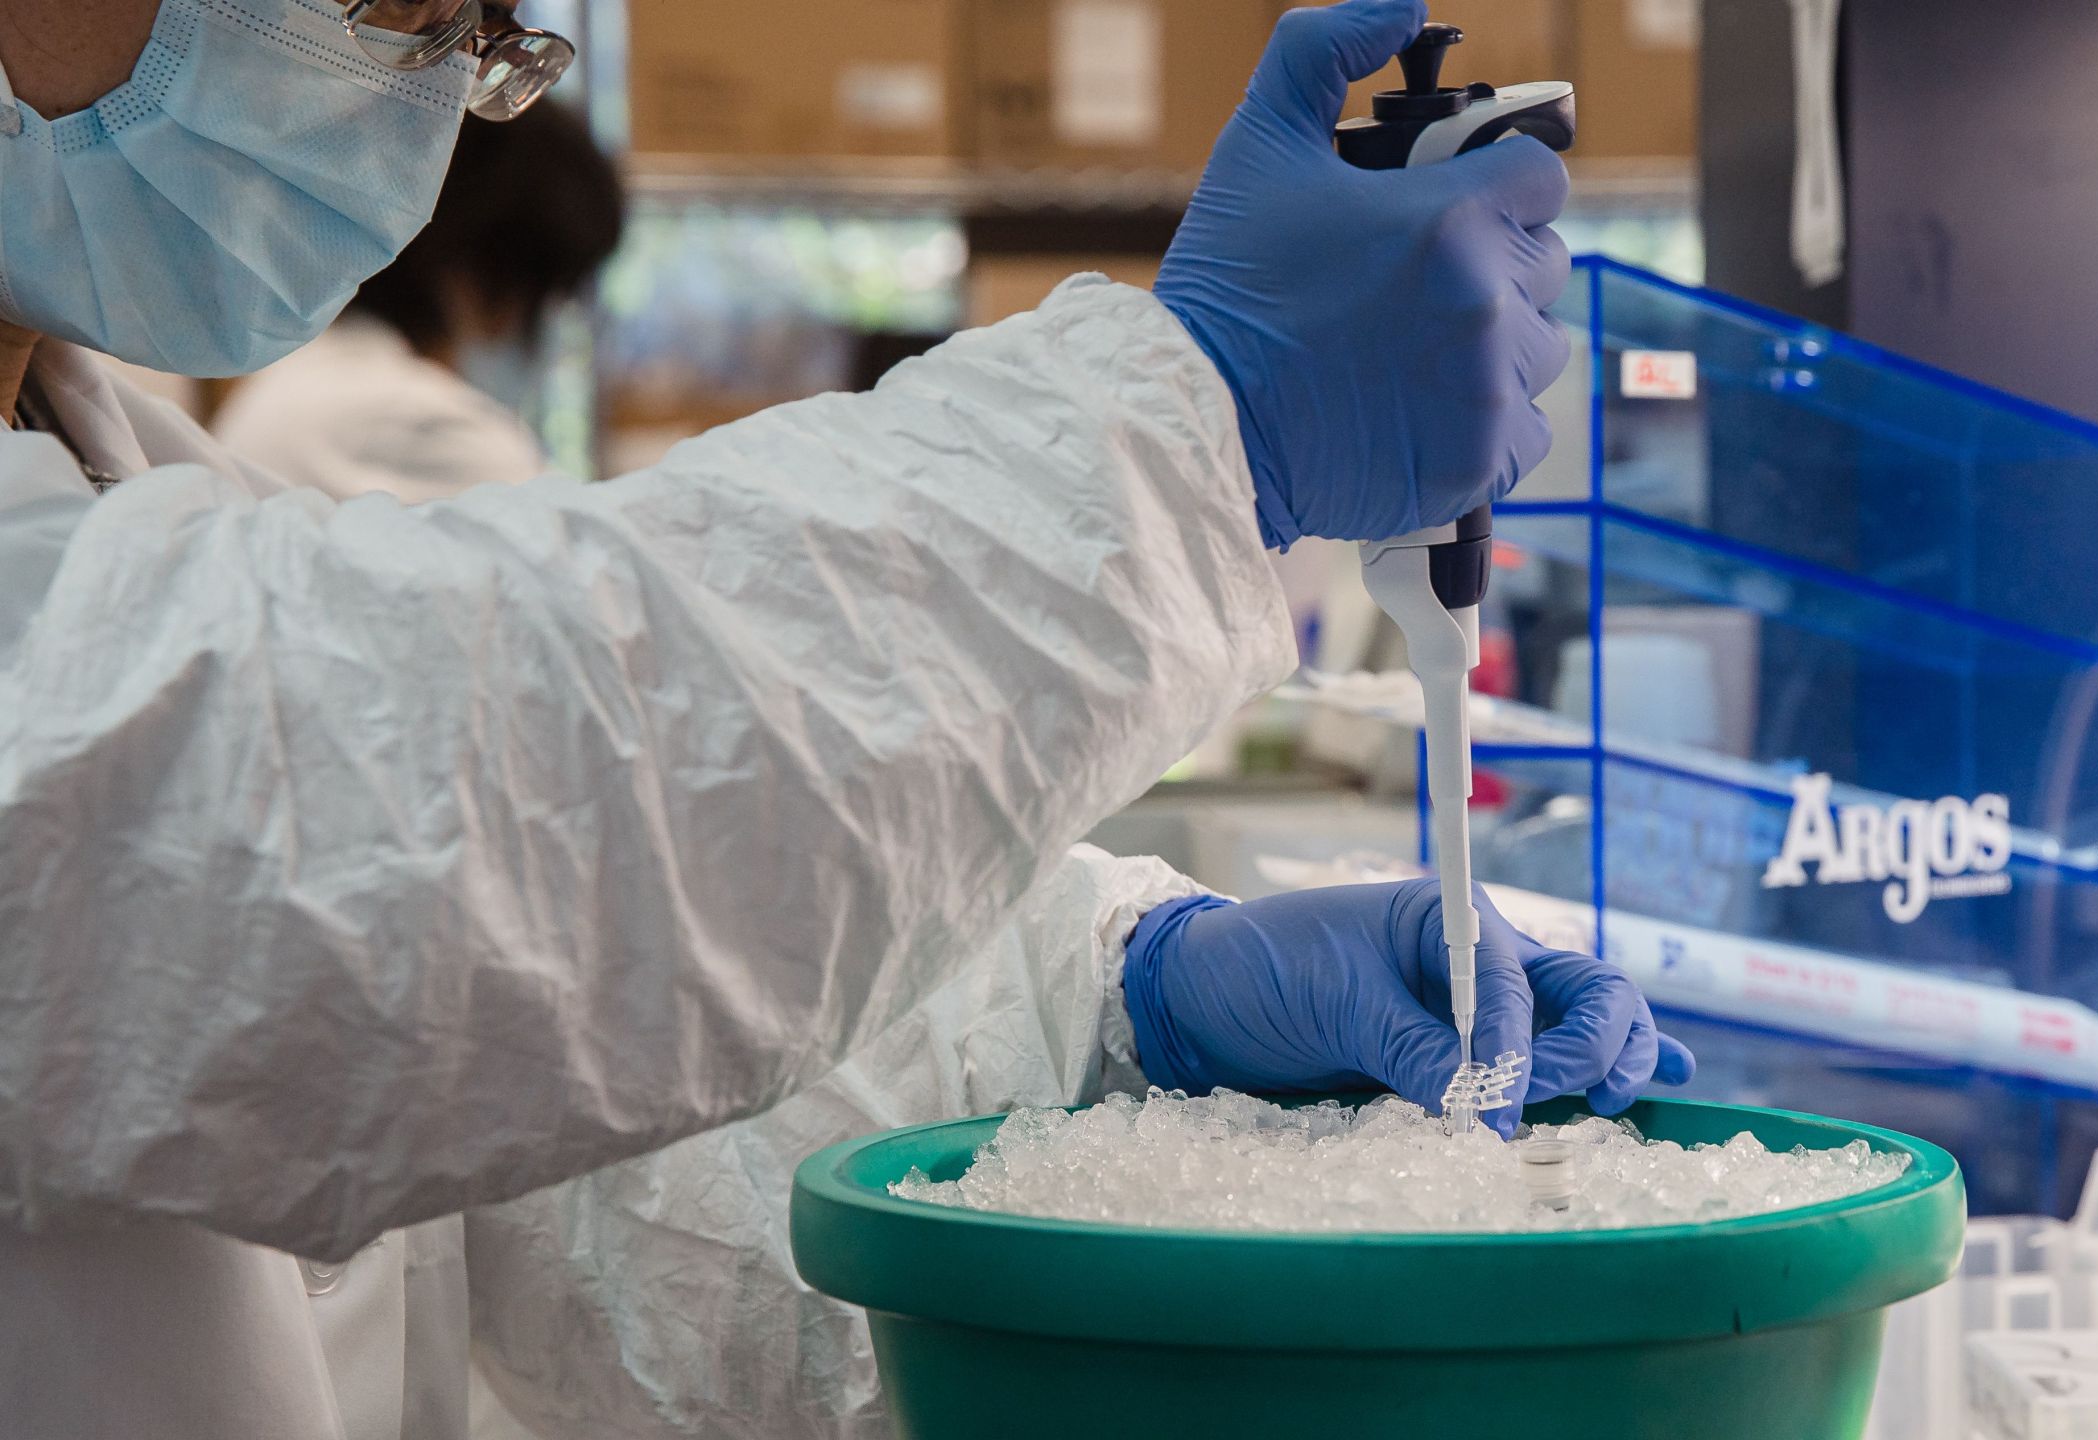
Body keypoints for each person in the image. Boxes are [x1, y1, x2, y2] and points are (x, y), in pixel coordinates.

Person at [0, 2, 1694, 1438]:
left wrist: (1106, 1028)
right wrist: (1197, 431)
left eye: (478, 43)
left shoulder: (135, 472)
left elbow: (524, 1138)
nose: (422, 87)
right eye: (400, 14)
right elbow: (386, 848)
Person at [214, 97, 625, 501]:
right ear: (474, 263)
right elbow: (586, 547)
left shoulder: (309, 379)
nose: (513, 330)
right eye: (540, 293)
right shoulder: (402, 417)